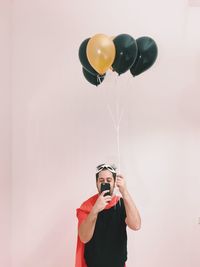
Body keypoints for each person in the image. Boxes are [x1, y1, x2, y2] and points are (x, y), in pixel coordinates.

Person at [75, 163, 141, 267]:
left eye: (109, 180)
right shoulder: (87, 206)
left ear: (115, 182)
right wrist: (95, 210)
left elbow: (136, 225)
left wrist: (125, 192)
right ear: (97, 183)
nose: (105, 183)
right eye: (101, 180)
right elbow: (83, 237)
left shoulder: (121, 203)